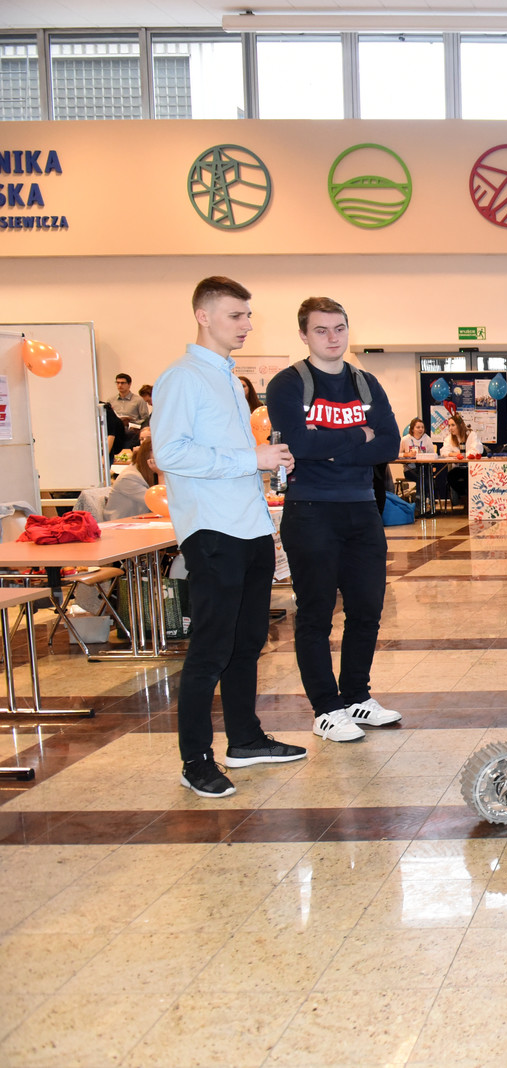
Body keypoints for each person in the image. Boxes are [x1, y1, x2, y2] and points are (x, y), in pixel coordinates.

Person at [152, 276, 305, 798]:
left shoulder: (227, 379)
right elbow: (169, 453)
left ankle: (245, 739)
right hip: (213, 529)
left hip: (250, 524)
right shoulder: (183, 377)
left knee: (247, 641)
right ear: (204, 316)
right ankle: (195, 759)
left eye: (248, 315)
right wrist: (250, 458)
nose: (247, 325)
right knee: (211, 647)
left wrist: (265, 463)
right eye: (236, 315)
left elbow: (226, 457)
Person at [265, 297, 402, 744]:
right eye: (321, 330)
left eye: (339, 328)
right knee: (316, 614)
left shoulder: (365, 383)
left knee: (367, 609)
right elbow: (298, 445)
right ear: (304, 335)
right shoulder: (288, 384)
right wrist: (360, 434)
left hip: (362, 509)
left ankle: (356, 695)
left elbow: (389, 444)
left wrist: (328, 445)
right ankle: (326, 708)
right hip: (311, 511)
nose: (332, 337)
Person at [105, 439, 159, 520]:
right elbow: (158, 502)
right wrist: (162, 474)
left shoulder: (146, 472)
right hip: (120, 523)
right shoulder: (129, 478)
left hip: (139, 521)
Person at [437, 412, 483, 503]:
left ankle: (469, 500)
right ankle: (464, 498)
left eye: (453, 425)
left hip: (471, 468)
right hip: (458, 467)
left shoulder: (471, 435)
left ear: (460, 425)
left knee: (469, 478)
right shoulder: (449, 438)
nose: (450, 428)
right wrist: (455, 454)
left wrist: (463, 455)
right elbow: (443, 451)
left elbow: (477, 449)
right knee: (451, 476)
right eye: (449, 426)